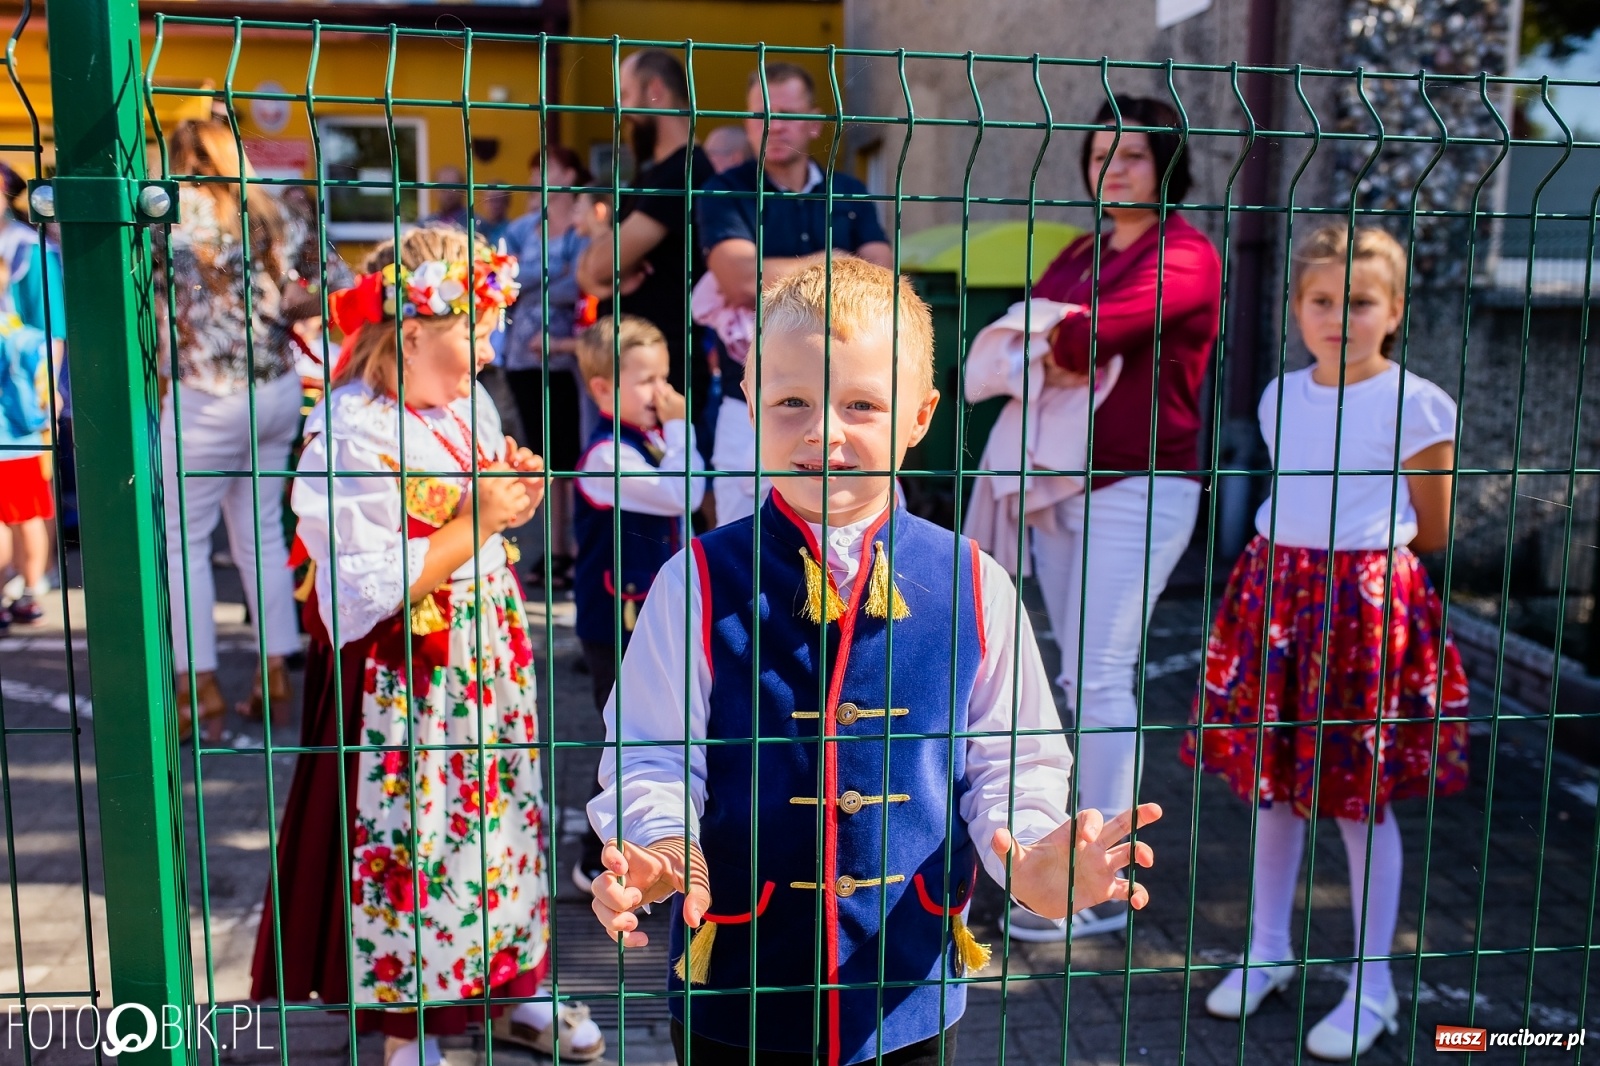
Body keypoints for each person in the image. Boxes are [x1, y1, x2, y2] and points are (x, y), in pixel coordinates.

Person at [587, 258, 1162, 1066]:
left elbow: (1013, 760)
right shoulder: (695, 581)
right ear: (751, 403)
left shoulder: (977, 581)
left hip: (907, 988)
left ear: (921, 415)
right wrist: (661, 841)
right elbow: (651, 751)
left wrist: (1031, 855)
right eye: (792, 401)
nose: (824, 431)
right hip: (738, 984)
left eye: (861, 404)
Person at [249, 226, 605, 1066]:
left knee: (502, 821)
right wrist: (479, 519)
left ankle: (509, 987)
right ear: (411, 332)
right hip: (408, 675)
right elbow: (357, 585)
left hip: (484, 653)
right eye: (475, 328)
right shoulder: (352, 426)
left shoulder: (462, 402)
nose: (489, 347)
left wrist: (508, 490)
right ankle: (408, 1029)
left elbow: (474, 508)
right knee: (417, 831)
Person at [1184, 224, 1469, 1060]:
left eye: (1360, 302)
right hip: (1277, 595)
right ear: (1296, 307)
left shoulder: (1417, 403)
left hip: (1361, 612)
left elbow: (1434, 528)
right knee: (1272, 788)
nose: (1338, 318)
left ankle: (1372, 984)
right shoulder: (1281, 397)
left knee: (1357, 799)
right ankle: (1268, 947)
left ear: (1395, 310)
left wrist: (1357, 570)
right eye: (1321, 300)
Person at [1004, 95, 1222, 942]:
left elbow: (1078, 338)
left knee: (1098, 677)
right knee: (1073, 678)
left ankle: (1097, 888)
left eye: (1131, 155)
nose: (1113, 169)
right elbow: (1024, 334)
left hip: (1142, 482)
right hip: (1065, 480)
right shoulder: (1082, 251)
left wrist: (1059, 339)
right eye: (1100, 155)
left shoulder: (1188, 253)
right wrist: (1055, 338)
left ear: (1167, 164)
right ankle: (1076, 861)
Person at [696, 62, 892, 526]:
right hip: (751, 404)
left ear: (815, 122)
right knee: (745, 545)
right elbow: (740, 279)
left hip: (844, 407)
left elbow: (882, 278)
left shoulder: (849, 192)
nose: (773, 125)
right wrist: (839, 262)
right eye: (760, 114)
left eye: (785, 113)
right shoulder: (725, 190)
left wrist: (775, 271)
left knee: (850, 537)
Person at [160, 119, 305, 741]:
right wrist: (270, 310)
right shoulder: (273, 210)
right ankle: (275, 673)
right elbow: (329, 287)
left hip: (206, 391)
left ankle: (199, 687)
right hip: (275, 387)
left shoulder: (168, 214)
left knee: (183, 542)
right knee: (262, 534)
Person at [570, 314, 703, 890]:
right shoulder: (605, 456)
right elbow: (684, 493)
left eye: (665, 378)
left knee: (663, 727)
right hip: (614, 621)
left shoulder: (647, 442)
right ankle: (593, 857)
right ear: (602, 389)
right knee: (624, 737)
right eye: (646, 380)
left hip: (650, 618)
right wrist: (681, 430)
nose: (662, 393)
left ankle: (659, 845)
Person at [575, 50, 715, 418]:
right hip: (634, 370)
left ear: (654, 90)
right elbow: (589, 273)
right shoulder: (652, 174)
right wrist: (602, 272)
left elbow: (600, 266)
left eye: (625, 94)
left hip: (667, 377)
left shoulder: (684, 172)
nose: (622, 109)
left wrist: (601, 256)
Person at [503, 145, 594, 590]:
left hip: (567, 358)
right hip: (522, 356)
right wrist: (547, 276)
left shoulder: (581, 228)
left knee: (573, 456)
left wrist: (530, 280)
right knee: (545, 459)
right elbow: (502, 280)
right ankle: (553, 551)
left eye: (548, 168)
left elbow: (579, 283)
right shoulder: (522, 227)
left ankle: (576, 551)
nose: (539, 177)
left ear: (570, 173)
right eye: (535, 169)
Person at [0, 163, 65, 629]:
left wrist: (47, 395)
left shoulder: (29, 251)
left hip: (23, 404)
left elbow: (51, 331)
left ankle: (31, 582)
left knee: (28, 506)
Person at [426, 164, 470, 229]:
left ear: (463, 190)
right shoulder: (424, 225)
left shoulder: (475, 224)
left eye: (454, 187)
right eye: (443, 188)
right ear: (434, 191)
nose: (449, 192)